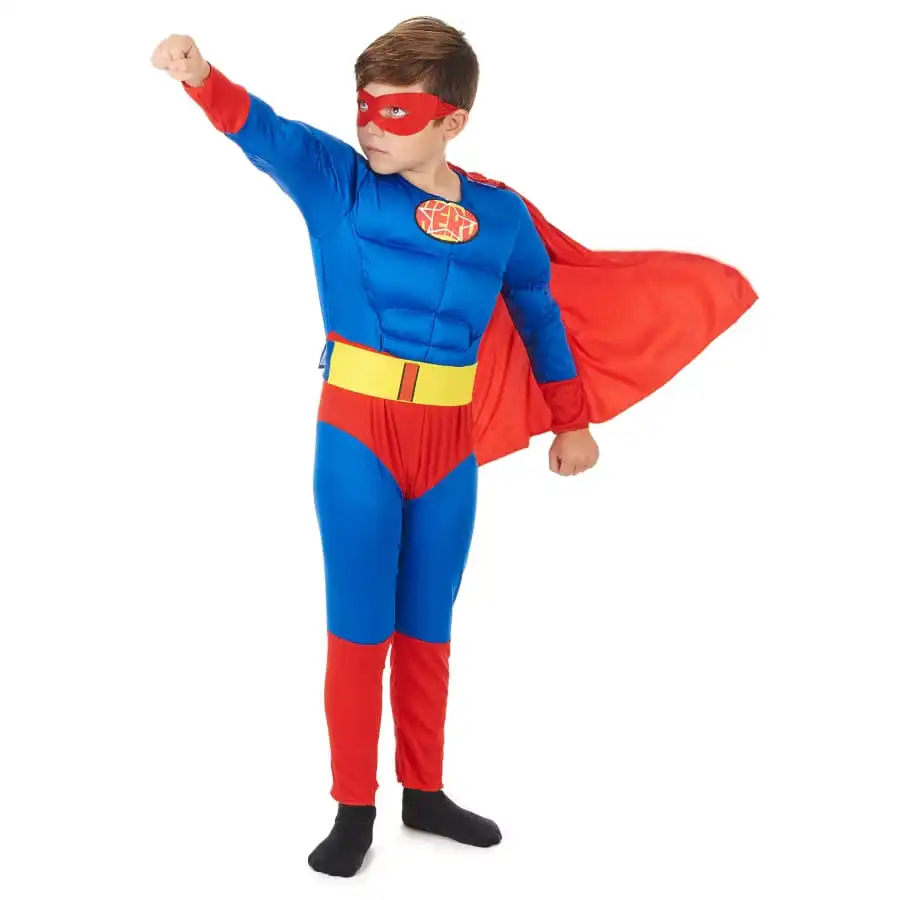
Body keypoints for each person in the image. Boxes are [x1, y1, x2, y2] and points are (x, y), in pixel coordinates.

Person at [151, 14, 756, 879]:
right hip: (357, 435)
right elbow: (267, 134)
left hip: (447, 444)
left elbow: (539, 316)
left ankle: (424, 792)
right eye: (364, 106)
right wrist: (202, 78)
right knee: (360, 628)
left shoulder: (501, 216)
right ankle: (353, 807)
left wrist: (572, 419)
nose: (371, 126)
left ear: (453, 121)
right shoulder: (339, 183)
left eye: (396, 113)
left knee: (427, 626)